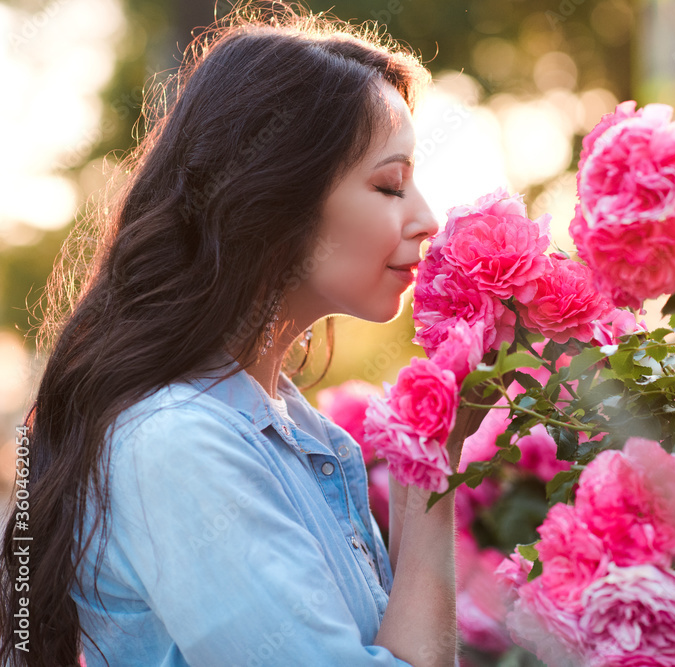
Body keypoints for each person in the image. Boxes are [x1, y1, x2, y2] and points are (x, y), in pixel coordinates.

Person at [1, 5, 484, 665]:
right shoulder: (179, 442)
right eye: (391, 184)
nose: (427, 217)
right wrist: (429, 481)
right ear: (274, 198)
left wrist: (429, 456)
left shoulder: (303, 434)